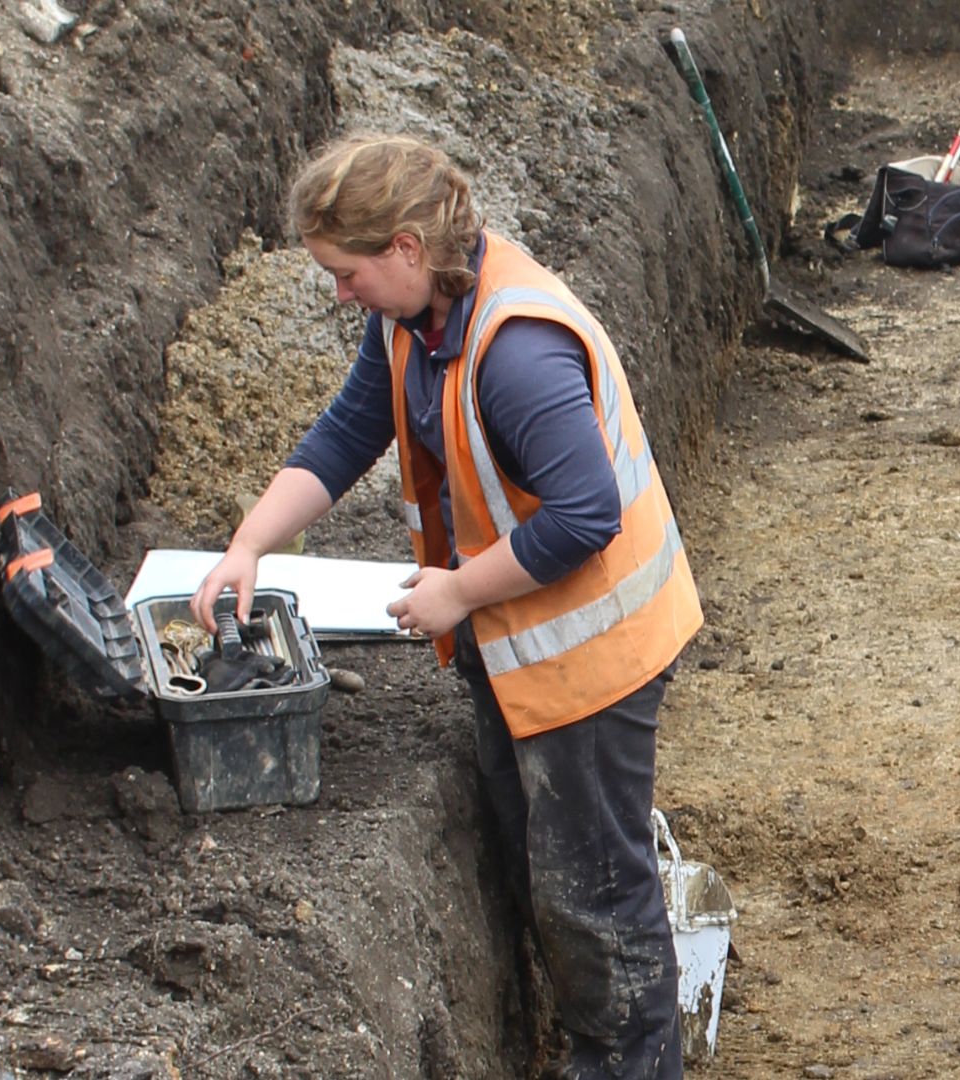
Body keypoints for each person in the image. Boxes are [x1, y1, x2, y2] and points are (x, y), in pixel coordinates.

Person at [189, 133, 703, 1080]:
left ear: (406, 250)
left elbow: (588, 513)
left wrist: (459, 591)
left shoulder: (516, 353)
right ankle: (582, 1036)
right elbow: (351, 428)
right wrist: (249, 545)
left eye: (345, 274)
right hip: (519, 640)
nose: (340, 294)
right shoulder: (412, 318)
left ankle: (629, 1060)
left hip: (592, 654)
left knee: (596, 904)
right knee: (546, 869)